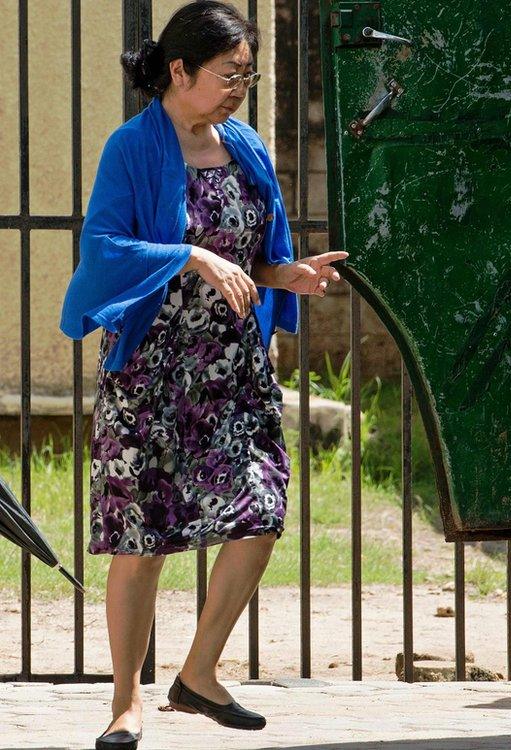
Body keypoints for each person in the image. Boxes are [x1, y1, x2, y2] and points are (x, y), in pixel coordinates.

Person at [57, 3, 347, 748]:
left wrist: (293, 273)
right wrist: (187, 254)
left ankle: (197, 675)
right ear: (179, 70)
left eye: (248, 75)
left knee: (260, 513)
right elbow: (103, 248)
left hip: (233, 370)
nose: (240, 88)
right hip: (150, 369)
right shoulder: (132, 147)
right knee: (142, 538)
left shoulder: (245, 146)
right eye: (229, 74)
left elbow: (256, 258)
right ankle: (127, 702)